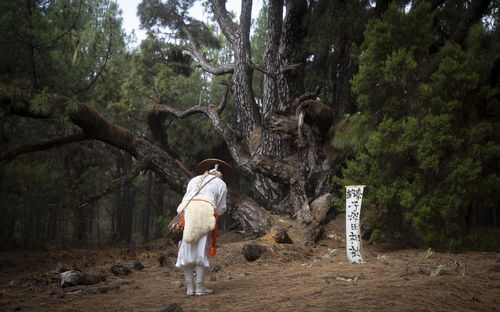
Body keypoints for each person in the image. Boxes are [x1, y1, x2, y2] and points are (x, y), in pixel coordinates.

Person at [175, 158, 236, 296]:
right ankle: (200, 287)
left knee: (186, 250)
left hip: (188, 212)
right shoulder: (221, 183)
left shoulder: (194, 180)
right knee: (201, 251)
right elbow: (221, 207)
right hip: (205, 213)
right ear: (220, 175)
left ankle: (190, 288)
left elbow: (185, 198)